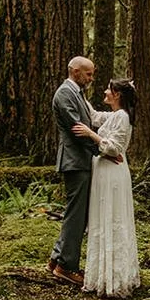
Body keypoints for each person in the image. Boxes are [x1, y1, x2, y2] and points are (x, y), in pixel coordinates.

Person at [72, 79, 140, 299]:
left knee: (112, 217)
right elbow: (93, 116)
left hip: (113, 174)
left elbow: (113, 148)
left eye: (109, 90)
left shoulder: (122, 117)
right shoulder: (114, 115)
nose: (104, 91)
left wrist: (91, 134)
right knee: (103, 217)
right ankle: (103, 275)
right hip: (104, 171)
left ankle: (115, 279)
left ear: (117, 94)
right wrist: (78, 91)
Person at [48, 56, 102, 284]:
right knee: (77, 216)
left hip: (80, 160)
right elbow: (77, 129)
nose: (91, 78)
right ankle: (67, 266)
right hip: (75, 161)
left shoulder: (76, 93)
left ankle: (57, 258)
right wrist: (102, 149)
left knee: (76, 214)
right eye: (88, 74)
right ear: (75, 71)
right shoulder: (64, 94)